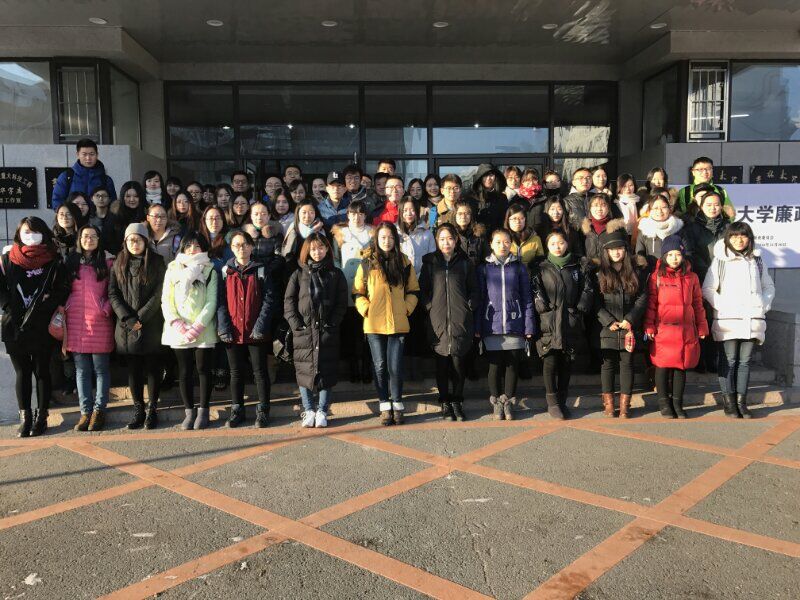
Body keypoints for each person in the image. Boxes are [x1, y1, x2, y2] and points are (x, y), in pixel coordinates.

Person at [1, 217, 68, 437]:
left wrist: (46, 304)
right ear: (19, 233)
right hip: (15, 325)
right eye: (26, 232)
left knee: (42, 371)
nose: (31, 236)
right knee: (22, 371)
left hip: (42, 324)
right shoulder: (8, 259)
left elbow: (62, 289)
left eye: (35, 232)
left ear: (44, 233)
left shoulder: (53, 259)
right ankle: (25, 417)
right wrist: (10, 306)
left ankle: (41, 417)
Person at [702, 222, 775, 419]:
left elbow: (768, 287)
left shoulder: (757, 260)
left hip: (752, 319)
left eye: (743, 236)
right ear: (728, 238)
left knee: (745, 362)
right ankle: (729, 402)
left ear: (749, 239)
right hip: (728, 319)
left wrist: (762, 305)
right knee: (729, 360)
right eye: (734, 236)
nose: (739, 240)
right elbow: (708, 289)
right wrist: (723, 306)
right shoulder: (720, 260)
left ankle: (742, 403)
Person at [353, 223, 420, 426]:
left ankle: (397, 403)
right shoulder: (367, 263)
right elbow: (358, 292)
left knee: (395, 366)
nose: (387, 241)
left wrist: (406, 309)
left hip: (398, 322)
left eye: (390, 237)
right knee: (380, 366)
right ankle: (384, 404)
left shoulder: (404, 262)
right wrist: (367, 310)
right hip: (374, 324)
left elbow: (413, 290)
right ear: (376, 239)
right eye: (382, 237)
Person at [284, 234, 348, 428]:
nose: (317, 252)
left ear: (327, 249)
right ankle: (309, 409)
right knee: (304, 371)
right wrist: (296, 325)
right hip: (304, 332)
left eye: (321, 248)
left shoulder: (336, 274)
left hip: (326, 331)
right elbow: (289, 302)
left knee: (326, 371)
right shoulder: (298, 274)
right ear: (307, 251)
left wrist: (333, 323)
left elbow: (341, 303)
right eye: (313, 249)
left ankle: (322, 410)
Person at [109, 223, 167, 429]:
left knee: (153, 368)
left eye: (138, 239)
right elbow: (113, 293)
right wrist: (128, 318)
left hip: (151, 323)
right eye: (131, 240)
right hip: (126, 326)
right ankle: (138, 409)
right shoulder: (118, 263)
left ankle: (152, 408)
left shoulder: (157, 262)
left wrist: (141, 317)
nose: (135, 244)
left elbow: (159, 292)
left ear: (145, 241)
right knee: (133, 370)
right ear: (125, 242)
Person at [419, 223, 479, 421]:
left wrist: (470, 304)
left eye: (450, 239)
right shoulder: (430, 263)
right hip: (438, 320)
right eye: (442, 239)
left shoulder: (465, 262)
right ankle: (444, 401)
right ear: (437, 241)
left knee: (459, 362)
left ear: (456, 240)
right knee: (441, 363)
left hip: (460, 319)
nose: (446, 243)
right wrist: (429, 306)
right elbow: (422, 290)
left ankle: (457, 400)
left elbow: (475, 289)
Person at [531, 231, 594, 419]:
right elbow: (535, 289)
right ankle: (552, 402)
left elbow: (587, 289)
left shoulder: (578, 266)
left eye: (560, 243)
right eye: (553, 243)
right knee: (550, 361)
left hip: (570, 320)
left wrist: (579, 308)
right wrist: (541, 306)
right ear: (547, 246)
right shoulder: (540, 267)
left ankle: (562, 400)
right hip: (548, 321)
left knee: (566, 362)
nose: (557, 247)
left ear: (567, 244)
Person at [644, 235, 708, 419]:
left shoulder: (692, 277)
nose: (674, 258)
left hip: (685, 330)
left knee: (681, 367)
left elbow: (698, 304)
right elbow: (651, 305)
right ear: (664, 256)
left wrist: (702, 327)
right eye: (670, 254)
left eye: (678, 254)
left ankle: (677, 404)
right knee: (662, 367)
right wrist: (649, 326)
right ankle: (664, 403)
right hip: (663, 329)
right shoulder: (656, 277)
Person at [217, 230, 276, 428]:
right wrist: (224, 327)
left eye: (244, 244)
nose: (241, 248)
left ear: (251, 246)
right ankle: (237, 410)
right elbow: (221, 302)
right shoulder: (226, 271)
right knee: (235, 373)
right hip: (233, 330)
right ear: (231, 248)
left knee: (260, 372)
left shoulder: (261, 269)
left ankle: (263, 410)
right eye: (236, 245)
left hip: (255, 330)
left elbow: (269, 300)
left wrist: (260, 326)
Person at [475, 228, 535, 420]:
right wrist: (478, 326)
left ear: (512, 244)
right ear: (491, 244)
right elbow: (480, 299)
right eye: (498, 242)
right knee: (494, 366)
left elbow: (527, 298)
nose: (503, 245)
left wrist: (528, 326)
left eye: (507, 242)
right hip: (491, 323)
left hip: (515, 322)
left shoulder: (519, 267)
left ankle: (508, 401)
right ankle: (496, 403)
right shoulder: (484, 268)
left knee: (512, 365)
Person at [161, 233, 218, 430]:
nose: (192, 250)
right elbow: (166, 299)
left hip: (203, 328)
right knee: (184, 371)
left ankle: (203, 411)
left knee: (203, 369)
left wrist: (198, 326)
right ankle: (189, 411)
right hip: (179, 329)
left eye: (197, 246)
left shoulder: (210, 269)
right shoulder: (172, 268)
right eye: (188, 246)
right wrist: (177, 323)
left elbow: (212, 300)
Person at [593, 228, 648, 418]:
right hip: (607, 327)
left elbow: (642, 298)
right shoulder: (599, 273)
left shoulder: (635, 271)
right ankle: (609, 405)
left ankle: (625, 405)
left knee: (627, 364)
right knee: (607, 365)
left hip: (628, 326)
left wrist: (630, 319)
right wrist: (607, 320)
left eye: (620, 249)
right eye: (612, 249)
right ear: (606, 252)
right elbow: (595, 302)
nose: (616, 252)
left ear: (626, 250)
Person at [65, 225, 115, 432]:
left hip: (99, 321)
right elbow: (62, 288)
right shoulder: (71, 262)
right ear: (79, 239)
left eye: (94, 236)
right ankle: (85, 412)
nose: (89, 239)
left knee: (101, 369)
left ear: (99, 239)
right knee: (82, 371)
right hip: (76, 321)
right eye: (85, 236)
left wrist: (105, 309)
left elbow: (115, 290)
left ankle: (99, 411)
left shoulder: (108, 262)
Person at [331, 200, 374, 383]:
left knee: (368, 330)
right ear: (348, 215)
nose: (357, 217)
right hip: (347, 288)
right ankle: (353, 368)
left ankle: (367, 366)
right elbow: (335, 261)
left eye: (361, 213)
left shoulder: (373, 234)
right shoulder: (341, 234)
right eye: (353, 214)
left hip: (369, 288)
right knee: (350, 331)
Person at [398, 198, 435, 362]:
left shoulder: (426, 233)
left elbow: (432, 258)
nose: (409, 213)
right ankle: (405, 359)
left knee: (419, 322)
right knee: (404, 321)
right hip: (401, 285)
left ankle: (419, 360)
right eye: (405, 210)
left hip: (422, 283)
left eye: (412, 210)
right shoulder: (395, 233)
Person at [51, 138, 117, 210]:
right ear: (78, 154)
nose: (88, 158)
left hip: (99, 217)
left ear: (97, 155)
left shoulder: (106, 179)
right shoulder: (66, 177)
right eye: (84, 154)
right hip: (74, 216)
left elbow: (113, 204)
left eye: (92, 154)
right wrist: (68, 214)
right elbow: (57, 201)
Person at [636, 193, 690, 272]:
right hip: (652, 274)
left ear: (669, 209)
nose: (660, 211)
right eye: (655, 208)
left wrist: (681, 270)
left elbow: (688, 253)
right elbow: (639, 255)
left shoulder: (678, 228)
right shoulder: (644, 230)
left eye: (664, 207)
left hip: (676, 274)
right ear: (649, 210)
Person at [281, 200, 326, 275]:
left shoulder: (321, 229)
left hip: (320, 269)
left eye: (311, 212)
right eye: (304, 212)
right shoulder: (294, 230)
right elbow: (288, 254)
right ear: (298, 214)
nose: (307, 216)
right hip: (297, 271)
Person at [581, 194, 625, 264]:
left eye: (603, 205)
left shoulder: (617, 228)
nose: (599, 209)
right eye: (595, 205)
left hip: (610, 267)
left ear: (608, 208)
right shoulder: (585, 228)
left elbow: (625, 251)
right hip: (591, 267)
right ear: (590, 208)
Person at [504, 203, 544, 271]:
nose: (518, 222)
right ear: (508, 220)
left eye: (521, 218)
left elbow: (541, 261)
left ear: (525, 219)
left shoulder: (535, 239)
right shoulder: (502, 238)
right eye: (514, 219)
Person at [469, 163, 508, 232]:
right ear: (480, 177)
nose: (488, 178)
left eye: (491, 175)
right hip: (477, 236)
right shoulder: (472, 198)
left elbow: (504, 220)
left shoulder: (502, 198)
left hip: (496, 235)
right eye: (485, 175)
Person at [89, 185, 120, 254]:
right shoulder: (89, 218)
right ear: (92, 198)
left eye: (104, 196)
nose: (101, 198)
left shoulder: (115, 217)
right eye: (97, 196)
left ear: (109, 199)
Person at [614, 173, 639, 238]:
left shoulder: (639, 202)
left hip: (637, 236)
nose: (628, 189)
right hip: (621, 236)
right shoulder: (615, 204)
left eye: (630, 185)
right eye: (624, 186)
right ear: (619, 187)